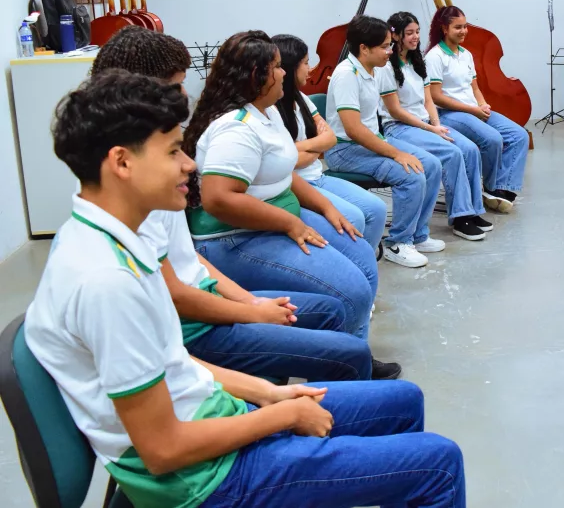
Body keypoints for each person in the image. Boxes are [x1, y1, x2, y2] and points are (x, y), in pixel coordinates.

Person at [25, 69, 465, 508]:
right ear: (122, 162)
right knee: (439, 464)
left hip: (211, 419)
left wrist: (271, 394)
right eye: (175, 151)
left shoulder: (114, 236)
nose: (189, 164)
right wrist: (283, 415)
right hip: (207, 481)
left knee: (403, 400)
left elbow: (174, 361)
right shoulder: (106, 283)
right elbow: (164, 451)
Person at [90, 25, 375, 383]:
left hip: (208, 290)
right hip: (200, 316)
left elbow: (185, 261)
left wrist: (251, 304)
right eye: (176, 85)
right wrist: (252, 310)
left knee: (338, 301)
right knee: (349, 316)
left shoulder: (149, 171)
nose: (191, 166)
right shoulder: (131, 188)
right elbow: (176, 290)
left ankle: (304, 385)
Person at [181, 30, 398, 378]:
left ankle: (352, 354)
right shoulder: (235, 129)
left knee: (362, 260)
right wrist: (291, 224)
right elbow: (219, 199)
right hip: (236, 238)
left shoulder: (264, 113)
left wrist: (327, 209)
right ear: (257, 76)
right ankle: (338, 368)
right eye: (278, 67)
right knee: (352, 291)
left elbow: (284, 174)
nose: (285, 72)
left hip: (272, 222)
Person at [324, 16, 443, 269]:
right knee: (411, 175)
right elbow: (354, 130)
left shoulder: (375, 70)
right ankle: (397, 243)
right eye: (385, 46)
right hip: (345, 149)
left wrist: (394, 149)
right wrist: (396, 153)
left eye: (390, 45)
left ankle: (417, 235)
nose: (390, 51)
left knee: (431, 165)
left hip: (370, 141)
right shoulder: (347, 74)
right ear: (364, 48)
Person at [379, 12, 492, 241]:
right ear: (396, 35)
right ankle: (461, 218)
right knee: (451, 153)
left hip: (426, 124)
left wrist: (437, 125)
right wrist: (431, 129)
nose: (415, 37)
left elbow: (428, 99)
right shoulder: (387, 66)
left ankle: (473, 209)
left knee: (468, 149)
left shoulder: (416, 60)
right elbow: (395, 111)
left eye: (417, 32)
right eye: (409, 33)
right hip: (400, 127)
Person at [272, 33, 388, 251]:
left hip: (317, 175)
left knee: (377, 209)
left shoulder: (301, 98)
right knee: (354, 218)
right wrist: (315, 145)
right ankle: (352, 268)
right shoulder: (272, 108)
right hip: (297, 185)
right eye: (306, 63)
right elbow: (288, 162)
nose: (311, 69)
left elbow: (330, 138)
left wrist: (303, 148)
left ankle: (365, 263)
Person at [425, 6, 529, 214]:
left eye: (465, 26)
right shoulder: (434, 57)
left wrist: (482, 104)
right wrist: (472, 109)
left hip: (473, 109)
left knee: (519, 135)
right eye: (458, 27)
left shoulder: (466, 54)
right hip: (449, 113)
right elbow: (436, 97)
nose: (464, 31)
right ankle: (490, 188)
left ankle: (503, 187)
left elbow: (474, 87)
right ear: (444, 29)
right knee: (492, 139)